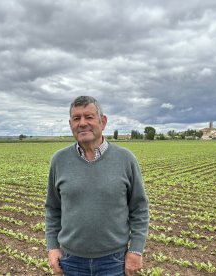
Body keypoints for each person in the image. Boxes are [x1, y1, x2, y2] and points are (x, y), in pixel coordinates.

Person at [45, 96, 149, 276]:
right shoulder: (59, 160)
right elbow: (53, 209)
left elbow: (139, 208)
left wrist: (136, 249)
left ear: (103, 121)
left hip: (114, 261)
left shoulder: (125, 159)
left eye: (89, 117)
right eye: (77, 118)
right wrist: (52, 247)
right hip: (70, 261)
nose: (82, 123)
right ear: (71, 124)